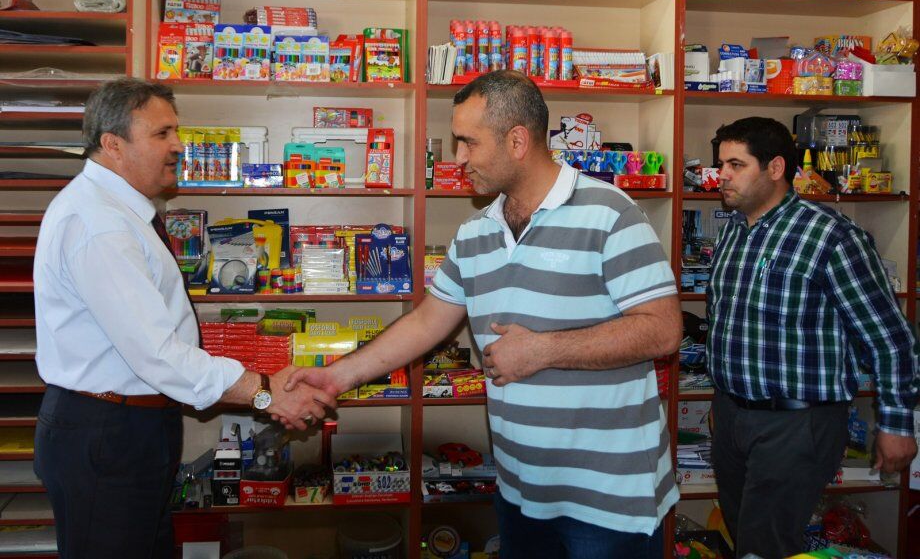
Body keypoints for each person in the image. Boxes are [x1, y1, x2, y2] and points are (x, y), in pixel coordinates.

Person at [285, 70, 682, 558]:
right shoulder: (476, 233)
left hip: (608, 500)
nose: (458, 158)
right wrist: (335, 377)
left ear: (517, 141)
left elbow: (663, 331)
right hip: (519, 491)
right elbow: (427, 322)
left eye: (468, 142)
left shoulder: (611, 213)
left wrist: (543, 351)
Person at [32, 78, 335, 559]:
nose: (178, 146)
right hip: (106, 434)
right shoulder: (99, 224)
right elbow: (157, 353)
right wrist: (264, 391)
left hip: (130, 427)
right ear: (113, 144)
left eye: (176, 132)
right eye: (162, 134)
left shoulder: (121, 211)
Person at [706, 116, 919, 559]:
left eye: (735, 165)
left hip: (797, 423)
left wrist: (897, 424)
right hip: (733, 417)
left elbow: (889, 337)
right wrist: (723, 406)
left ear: (775, 168)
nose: (721, 175)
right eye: (720, 164)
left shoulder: (831, 236)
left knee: (765, 545)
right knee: (744, 537)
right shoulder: (732, 233)